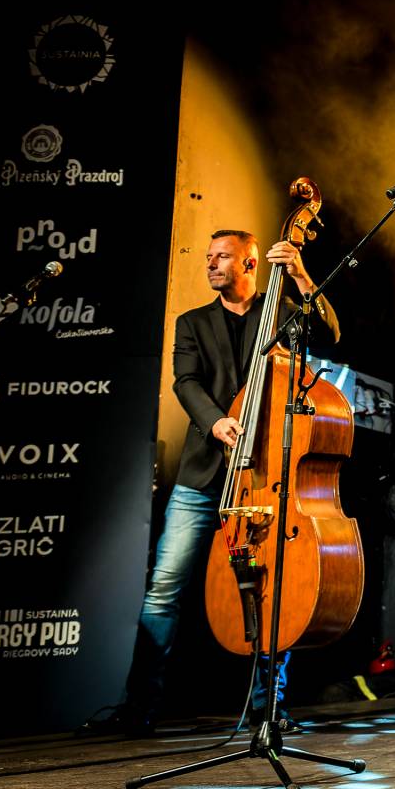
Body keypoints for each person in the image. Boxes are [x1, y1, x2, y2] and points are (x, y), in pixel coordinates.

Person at [86, 229, 340, 736]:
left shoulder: (284, 312)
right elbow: (186, 381)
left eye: (222, 257)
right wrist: (216, 421)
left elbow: (330, 333)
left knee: (275, 591)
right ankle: (140, 708)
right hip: (203, 476)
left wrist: (301, 274)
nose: (211, 264)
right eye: (208, 258)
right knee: (164, 590)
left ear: (250, 263)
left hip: (268, 477)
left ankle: (269, 708)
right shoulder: (193, 323)